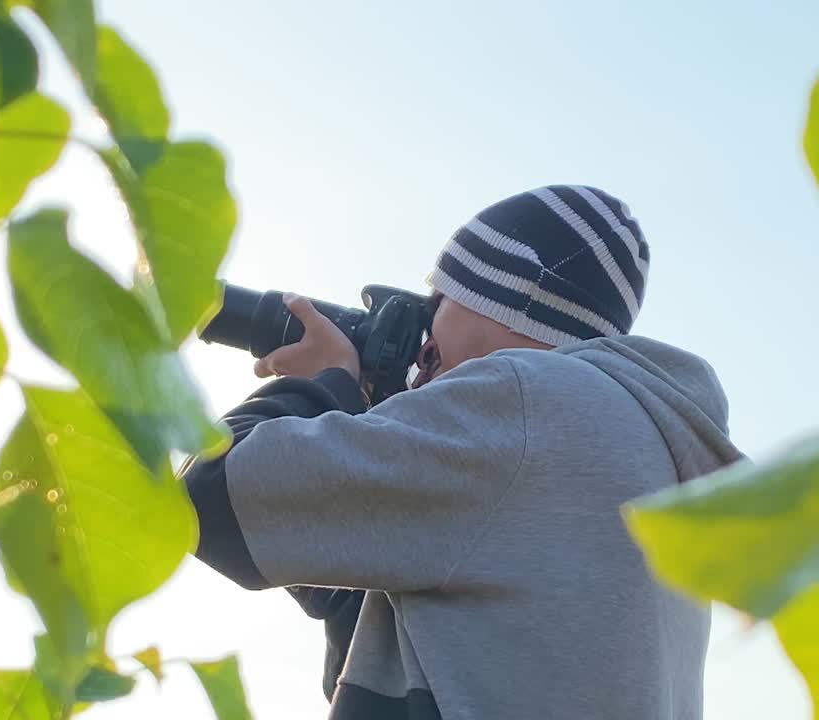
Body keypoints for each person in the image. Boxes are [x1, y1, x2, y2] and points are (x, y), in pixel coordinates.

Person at [180, 185, 744, 720]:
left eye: (439, 299)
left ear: (496, 298)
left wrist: (329, 383)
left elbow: (210, 497)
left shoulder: (523, 400)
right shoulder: (649, 451)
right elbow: (427, 654)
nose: (425, 337)